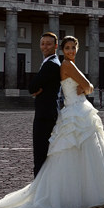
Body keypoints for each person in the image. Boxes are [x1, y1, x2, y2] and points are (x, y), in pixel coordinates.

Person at [0, 36, 104, 208]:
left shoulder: (64, 64)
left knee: (75, 153)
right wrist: (84, 88)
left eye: (73, 47)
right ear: (62, 50)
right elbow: (89, 87)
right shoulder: (67, 65)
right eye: (67, 48)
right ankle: (88, 194)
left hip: (74, 111)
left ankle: (78, 193)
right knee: (86, 152)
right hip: (77, 110)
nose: (71, 51)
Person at [29, 32, 61, 176]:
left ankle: (39, 190)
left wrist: (35, 90)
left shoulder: (50, 65)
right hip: (49, 112)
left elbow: (32, 87)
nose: (45, 47)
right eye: (42, 44)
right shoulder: (52, 62)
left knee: (40, 154)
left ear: (56, 46)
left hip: (45, 115)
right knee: (43, 153)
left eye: (48, 44)